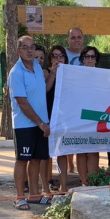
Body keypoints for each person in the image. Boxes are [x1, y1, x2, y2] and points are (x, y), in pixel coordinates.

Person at [9, 35, 51, 210]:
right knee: (22, 160)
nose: (29, 50)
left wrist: (54, 74)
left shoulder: (36, 66)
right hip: (25, 125)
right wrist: (41, 123)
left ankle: (34, 195)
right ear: (18, 50)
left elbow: (43, 89)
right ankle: (19, 197)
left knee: (36, 160)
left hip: (41, 123)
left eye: (31, 47)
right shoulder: (16, 73)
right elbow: (23, 103)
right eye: (25, 47)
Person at [44, 45, 70, 192]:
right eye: (54, 56)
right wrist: (53, 73)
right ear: (50, 58)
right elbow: (46, 89)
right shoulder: (46, 72)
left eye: (61, 55)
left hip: (65, 118)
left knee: (62, 153)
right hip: (48, 116)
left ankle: (63, 186)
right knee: (47, 153)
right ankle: (47, 184)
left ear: (65, 58)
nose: (58, 58)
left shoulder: (71, 74)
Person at [76, 46, 101, 183]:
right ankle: (83, 182)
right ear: (82, 59)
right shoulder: (75, 74)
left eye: (93, 56)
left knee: (93, 151)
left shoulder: (103, 74)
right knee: (81, 151)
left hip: (95, 117)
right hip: (79, 116)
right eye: (87, 56)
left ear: (96, 59)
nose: (90, 59)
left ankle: (92, 181)